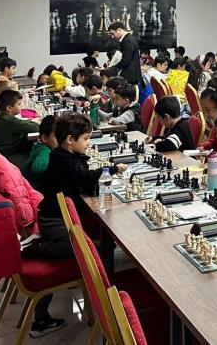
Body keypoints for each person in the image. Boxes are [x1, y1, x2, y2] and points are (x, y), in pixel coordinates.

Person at [27, 112, 127, 335]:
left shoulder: (66, 155)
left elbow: (83, 177)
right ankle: (35, 248)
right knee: (77, 249)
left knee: (90, 245)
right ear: (70, 140)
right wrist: (110, 169)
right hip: (53, 219)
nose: (88, 143)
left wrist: (84, 157)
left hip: (60, 216)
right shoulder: (61, 159)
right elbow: (85, 177)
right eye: (86, 139)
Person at [0, 89, 40, 167]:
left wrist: (30, 123)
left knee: (32, 140)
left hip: (5, 153)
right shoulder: (8, 121)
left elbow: (21, 124)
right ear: (9, 108)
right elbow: (35, 128)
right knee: (36, 157)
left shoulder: (5, 118)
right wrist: (34, 122)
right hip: (7, 158)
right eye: (19, 104)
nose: (21, 106)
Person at [22, 114, 58, 193]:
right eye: (57, 136)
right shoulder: (44, 150)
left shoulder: (41, 147)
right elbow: (37, 167)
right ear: (44, 138)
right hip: (34, 190)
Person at [108, 22, 141, 88]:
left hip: (130, 76)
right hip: (130, 75)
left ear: (119, 30)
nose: (112, 37)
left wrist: (113, 68)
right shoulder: (127, 39)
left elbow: (126, 60)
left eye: (113, 34)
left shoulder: (127, 40)